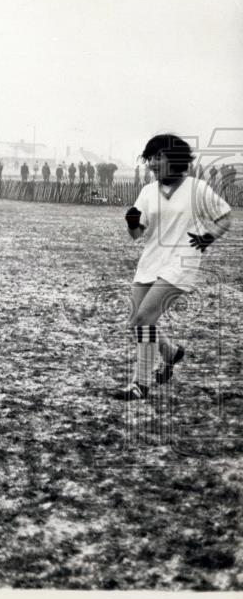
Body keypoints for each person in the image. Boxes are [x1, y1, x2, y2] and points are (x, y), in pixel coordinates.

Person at [115, 134, 232, 400]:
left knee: (144, 319)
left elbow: (224, 216)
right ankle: (170, 352)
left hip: (181, 261)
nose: (153, 164)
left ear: (175, 159)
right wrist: (132, 222)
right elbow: (137, 235)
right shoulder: (147, 191)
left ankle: (140, 384)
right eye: (150, 159)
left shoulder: (197, 188)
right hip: (150, 261)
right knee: (137, 322)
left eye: (159, 157)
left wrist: (208, 237)